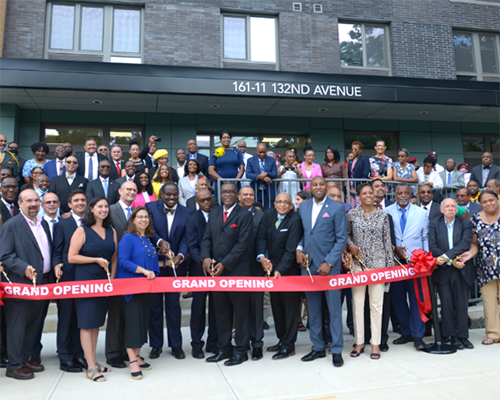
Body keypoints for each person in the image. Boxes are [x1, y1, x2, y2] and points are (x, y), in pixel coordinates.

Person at [296, 176, 347, 367]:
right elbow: (302, 234)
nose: (318, 187)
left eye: (321, 184)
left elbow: (341, 239)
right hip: (308, 268)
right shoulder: (304, 207)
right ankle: (317, 347)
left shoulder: (336, 208)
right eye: (315, 184)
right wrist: (298, 250)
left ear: (327, 187)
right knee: (314, 310)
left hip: (329, 269)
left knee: (334, 311)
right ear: (310, 187)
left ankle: (336, 349)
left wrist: (329, 262)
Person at [0, 189, 52, 379]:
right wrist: (23, 268)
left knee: (33, 325)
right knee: (17, 326)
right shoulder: (11, 226)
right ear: (19, 204)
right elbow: (4, 255)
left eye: (36, 200)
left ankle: (24, 359)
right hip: (20, 285)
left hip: (42, 285)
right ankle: (14, 365)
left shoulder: (43, 223)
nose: (33, 204)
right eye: (28, 201)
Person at [201, 182, 253, 366]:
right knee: (221, 312)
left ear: (237, 195)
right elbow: (207, 237)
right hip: (217, 273)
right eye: (224, 192)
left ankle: (241, 350)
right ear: (220, 194)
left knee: (240, 313)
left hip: (237, 272)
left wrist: (225, 264)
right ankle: (223, 349)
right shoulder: (214, 213)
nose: (228, 194)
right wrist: (206, 257)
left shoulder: (245, 215)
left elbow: (242, 245)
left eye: (231, 191)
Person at [68, 196, 118, 382]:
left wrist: (111, 280)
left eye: (106, 206)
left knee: (96, 323)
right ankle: (90, 367)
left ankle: (94, 361)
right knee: (87, 324)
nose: (104, 209)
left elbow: (114, 258)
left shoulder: (111, 230)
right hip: (86, 281)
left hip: (104, 284)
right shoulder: (82, 230)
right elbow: (72, 257)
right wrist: (95, 260)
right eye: (100, 207)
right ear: (92, 209)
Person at [146, 182, 193, 360]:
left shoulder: (187, 212)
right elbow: (148, 230)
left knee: (174, 306)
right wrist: (159, 243)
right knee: (155, 306)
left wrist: (181, 254)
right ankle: (156, 345)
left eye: (175, 195)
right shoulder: (150, 208)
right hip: (154, 265)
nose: (172, 198)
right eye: (168, 195)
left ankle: (176, 345)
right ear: (161, 195)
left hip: (176, 267)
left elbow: (186, 238)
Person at [347, 183, 393, 360]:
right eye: (364, 193)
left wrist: (388, 270)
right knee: (358, 304)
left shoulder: (383, 215)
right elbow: (347, 235)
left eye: (370, 193)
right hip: (358, 265)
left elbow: (387, 243)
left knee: (376, 306)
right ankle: (359, 342)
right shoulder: (352, 214)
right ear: (358, 196)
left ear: (375, 196)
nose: (368, 195)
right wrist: (350, 245)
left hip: (379, 266)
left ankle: (375, 343)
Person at [256, 193, 303, 359]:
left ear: (291, 206)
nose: (282, 205)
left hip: (287, 271)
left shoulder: (295, 220)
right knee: (277, 308)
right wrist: (263, 257)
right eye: (279, 201)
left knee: (289, 309)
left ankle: (289, 345)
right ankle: (282, 339)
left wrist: (280, 270)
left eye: (286, 202)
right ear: (274, 203)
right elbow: (261, 238)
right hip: (270, 268)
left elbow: (291, 250)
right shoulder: (267, 215)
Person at [116, 207, 159, 380]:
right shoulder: (127, 238)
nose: (143, 220)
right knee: (133, 323)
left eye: (146, 217)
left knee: (142, 322)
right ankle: (132, 361)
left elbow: (151, 262)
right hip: (131, 288)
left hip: (147, 289)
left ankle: (138, 355)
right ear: (133, 220)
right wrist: (143, 271)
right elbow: (123, 261)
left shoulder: (147, 239)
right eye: (139, 217)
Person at [385, 185, 429, 351]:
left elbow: (425, 237)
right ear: (394, 195)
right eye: (399, 193)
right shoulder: (386, 211)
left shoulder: (421, 213)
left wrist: (425, 259)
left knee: (416, 299)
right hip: (395, 262)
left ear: (411, 195)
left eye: (406, 193)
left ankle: (418, 335)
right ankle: (406, 332)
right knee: (398, 299)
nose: (403, 195)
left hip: (416, 262)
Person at [429, 198, 475, 349]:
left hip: (461, 268)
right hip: (443, 271)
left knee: (462, 304)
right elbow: (432, 245)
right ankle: (452, 336)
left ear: (457, 209)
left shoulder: (465, 223)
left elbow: (465, 243)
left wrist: (446, 257)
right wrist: (447, 260)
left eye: (453, 206)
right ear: (441, 210)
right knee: (447, 304)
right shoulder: (434, 223)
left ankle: (463, 336)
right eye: (447, 206)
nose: (450, 208)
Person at [52, 189, 88, 373]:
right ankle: (65, 357)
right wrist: (57, 264)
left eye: (83, 200)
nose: (80, 203)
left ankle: (78, 354)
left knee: (80, 317)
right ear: (70, 204)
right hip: (67, 276)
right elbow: (57, 250)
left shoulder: (90, 224)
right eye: (76, 200)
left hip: (86, 276)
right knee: (66, 317)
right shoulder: (62, 224)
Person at [105, 181, 138, 369]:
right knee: (116, 313)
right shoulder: (109, 210)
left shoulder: (137, 212)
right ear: (120, 191)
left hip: (134, 270)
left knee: (129, 313)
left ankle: (127, 350)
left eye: (134, 190)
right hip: (116, 268)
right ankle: (112, 353)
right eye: (128, 189)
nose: (132, 192)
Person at [461, 190, 500, 344]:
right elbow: (475, 244)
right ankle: (493, 334)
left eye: (491, 200)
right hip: (486, 267)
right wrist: (470, 254)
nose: (488, 203)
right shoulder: (476, 219)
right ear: (480, 204)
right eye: (484, 202)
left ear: (497, 200)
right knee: (489, 301)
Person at [185, 189, 218, 359]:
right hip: (199, 269)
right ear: (197, 202)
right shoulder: (192, 219)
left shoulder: (219, 214)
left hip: (218, 269)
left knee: (216, 307)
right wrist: (204, 262)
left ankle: (213, 342)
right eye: (202, 200)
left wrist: (216, 264)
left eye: (209, 199)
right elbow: (192, 246)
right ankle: (197, 344)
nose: (206, 202)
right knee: (198, 308)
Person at [238, 186, 265, 360]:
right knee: (240, 307)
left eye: (251, 195)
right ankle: (242, 342)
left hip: (255, 268)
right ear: (239, 196)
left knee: (256, 307)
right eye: (245, 194)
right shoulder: (232, 213)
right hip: (236, 268)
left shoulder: (261, 216)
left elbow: (263, 239)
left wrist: (262, 257)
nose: (248, 197)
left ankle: (257, 344)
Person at [208, 131, 244, 197]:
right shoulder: (216, 152)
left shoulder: (236, 152)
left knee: (235, 202)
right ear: (221, 140)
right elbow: (211, 170)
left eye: (228, 137)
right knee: (221, 202)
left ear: (230, 139)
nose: (226, 139)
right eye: (224, 138)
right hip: (220, 183)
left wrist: (235, 181)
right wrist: (223, 181)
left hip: (235, 184)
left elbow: (242, 168)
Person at [246, 143, 278, 210]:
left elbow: (275, 174)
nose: (262, 154)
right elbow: (248, 174)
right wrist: (262, 177)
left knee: (268, 212)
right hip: (256, 191)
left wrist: (266, 173)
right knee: (256, 212)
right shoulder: (250, 160)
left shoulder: (271, 160)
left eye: (264, 152)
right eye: (260, 152)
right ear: (256, 151)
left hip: (268, 191)